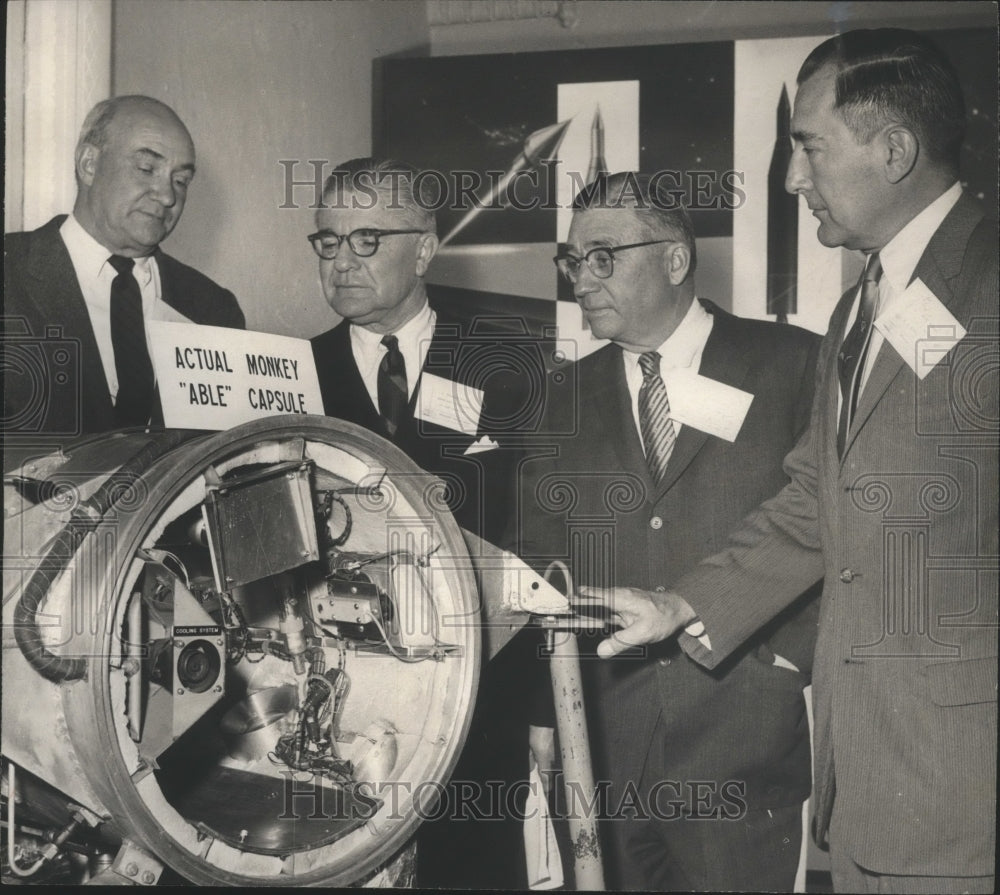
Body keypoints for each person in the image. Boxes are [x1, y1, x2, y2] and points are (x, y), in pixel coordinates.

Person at [587, 30, 997, 895]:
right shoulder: (860, 310)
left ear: (893, 150)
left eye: (807, 146)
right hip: (867, 788)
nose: (790, 179)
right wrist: (681, 602)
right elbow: (818, 496)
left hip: (971, 790)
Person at [517, 171, 822, 891]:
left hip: (742, 743)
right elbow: (541, 564)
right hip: (603, 747)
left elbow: (825, 521)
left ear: (676, 259)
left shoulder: (793, 365)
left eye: (603, 257)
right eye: (571, 260)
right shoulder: (558, 396)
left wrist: (786, 660)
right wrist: (543, 712)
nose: (581, 280)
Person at [309, 157, 546, 889]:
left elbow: (541, 539)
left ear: (425, 247)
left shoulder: (508, 366)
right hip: (340, 706)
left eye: (368, 239)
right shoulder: (291, 375)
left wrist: (542, 707)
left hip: (480, 703)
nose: (343, 261)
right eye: (329, 241)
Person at [4, 95, 244, 460]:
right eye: (147, 168)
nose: (166, 196)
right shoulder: (11, 274)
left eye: (181, 181)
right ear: (89, 164)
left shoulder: (214, 309)